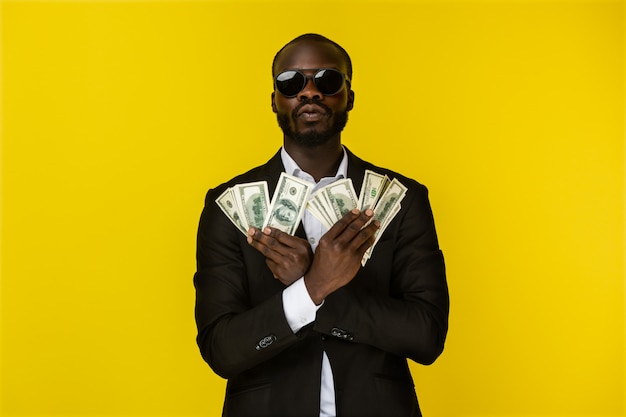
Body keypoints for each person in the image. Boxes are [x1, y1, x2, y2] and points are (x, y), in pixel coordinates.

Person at [194, 33, 449, 417]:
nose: (310, 92)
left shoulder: (403, 199)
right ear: (274, 100)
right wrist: (313, 286)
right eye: (291, 82)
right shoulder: (225, 204)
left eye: (328, 81)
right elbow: (222, 350)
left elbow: (426, 336)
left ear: (349, 96)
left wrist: (318, 289)